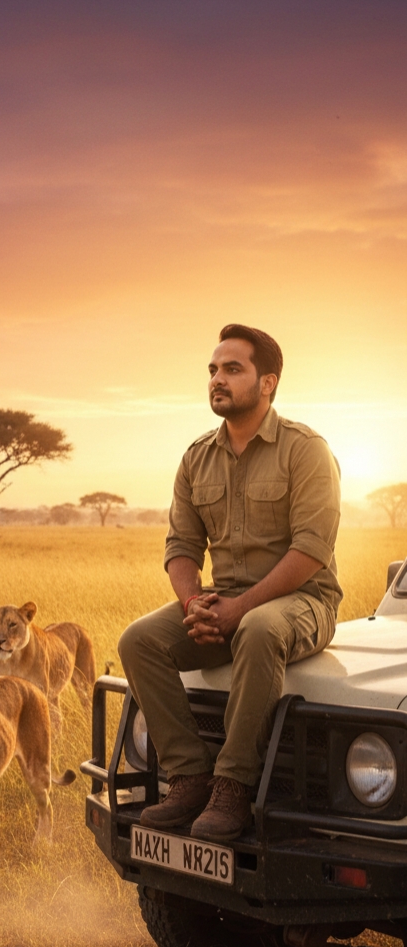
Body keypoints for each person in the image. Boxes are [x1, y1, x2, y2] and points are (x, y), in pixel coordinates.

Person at [118, 324, 342, 842]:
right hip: (224, 601)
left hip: (302, 600)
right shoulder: (197, 457)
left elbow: (311, 551)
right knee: (139, 640)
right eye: (213, 370)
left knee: (260, 629)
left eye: (233, 369)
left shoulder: (306, 450)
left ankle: (233, 787)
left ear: (268, 383)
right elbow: (181, 546)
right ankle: (188, 775)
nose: (217, 379)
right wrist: (194, 604)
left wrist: (238, 611)